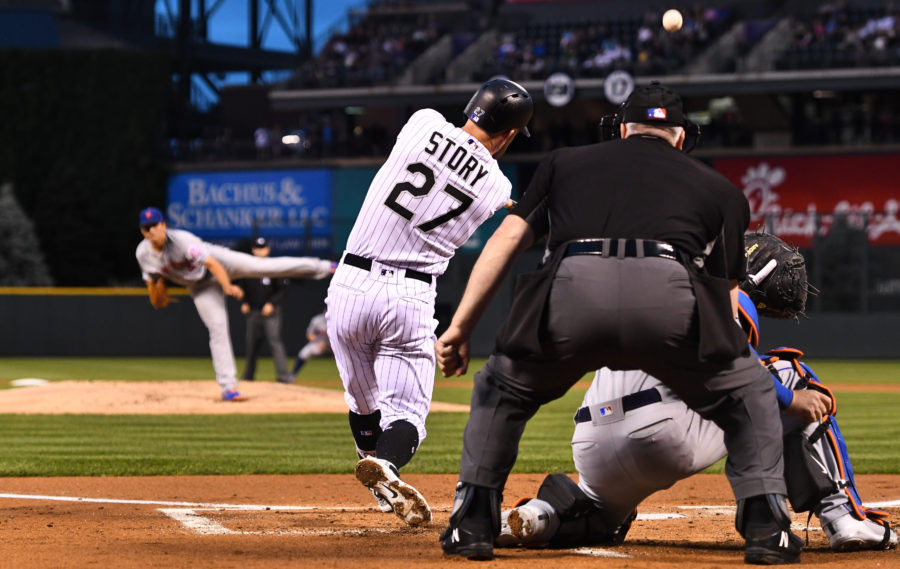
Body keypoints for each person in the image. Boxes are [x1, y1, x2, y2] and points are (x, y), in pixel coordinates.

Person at [435, 82, 802, 564]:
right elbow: (726, 299)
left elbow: (507, 238)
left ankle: (472, 525)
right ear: (679, 137)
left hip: (571, 290)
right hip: (669, 295)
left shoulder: (562, 163)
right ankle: (765, 531)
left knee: (502, 389)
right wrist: (728, 374)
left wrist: (461, 326)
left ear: (623, 129)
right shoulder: (722, 191)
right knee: (749, 394)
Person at [496, 235, 897, 553]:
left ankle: (535, 517)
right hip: (663, 435)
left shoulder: (654, 281)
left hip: (590, 442)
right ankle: (841, 518)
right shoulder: (730, 293)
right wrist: (791, 400)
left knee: (599, 516)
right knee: (792, 376)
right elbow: (730, 359)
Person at [325, 78, 533, 527]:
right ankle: (389, 465)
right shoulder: (497, 185)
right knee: (407, 417)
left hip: (349, 283)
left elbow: (440, 147)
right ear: (510, 134)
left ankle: (375, 467)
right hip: (410, 294)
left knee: (364, 403)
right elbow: (510, 204)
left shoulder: (423, 122)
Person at [135, 207, 335, 401]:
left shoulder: (183, 241)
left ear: (164, 224)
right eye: (147, 227)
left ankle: (325, 266)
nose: (152, 230)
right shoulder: (143, 254)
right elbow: (152, 281)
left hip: (221, 264)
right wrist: (155, 293)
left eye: (155, 224)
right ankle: (229, 387)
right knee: (217, 328)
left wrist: (228, 286)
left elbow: (212, 264)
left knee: (263, 266)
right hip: (199, 286)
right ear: (142, 231)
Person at [238, 237, 292, 384]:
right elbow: (243, 288)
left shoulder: (274, 266)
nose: (260, 251)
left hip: (271, 312)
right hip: (253, 311)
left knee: (275, 343)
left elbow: (282, 289)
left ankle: (283, 378)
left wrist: (272, 303)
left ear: (267, 249)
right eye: (257, 248)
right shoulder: (248, 267)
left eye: (262, 248)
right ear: (253, 250)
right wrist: (244, 302)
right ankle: (248, 377)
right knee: (251, 345)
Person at [289, 309, 331, 381]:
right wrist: (318, 342)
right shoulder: (317, 320)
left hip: (334, 345)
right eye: (326, 310)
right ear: (324, 310)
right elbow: (309, 334)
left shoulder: (337, 321)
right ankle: (293, 375)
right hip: (319, 344)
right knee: (304, 353)